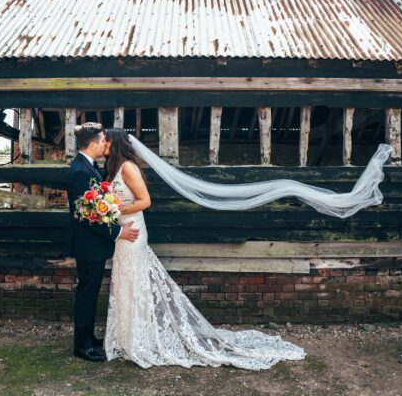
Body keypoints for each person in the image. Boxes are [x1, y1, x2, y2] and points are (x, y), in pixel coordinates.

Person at [101, 128, 306, 370]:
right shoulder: (114, 168)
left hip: (132, 231)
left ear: (115, 143)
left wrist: (115, 211)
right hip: (122, 233)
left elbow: (145, 201)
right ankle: (127, 337)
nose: (102, 143)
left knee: (135, 282)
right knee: (125, 281)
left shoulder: (127, 167)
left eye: (105, 140)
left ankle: (140, 338)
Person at [67, 123, 139, 362]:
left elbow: (97, 210)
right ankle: (82, 347)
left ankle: (88, 339)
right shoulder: (80, 171)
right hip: (88, 246)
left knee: (91, 293)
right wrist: (118, 232)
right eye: (101, 141)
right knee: (87, 294)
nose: (104, 144)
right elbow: (88, 217)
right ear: (92, 144)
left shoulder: (89, 166)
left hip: (93, 245)